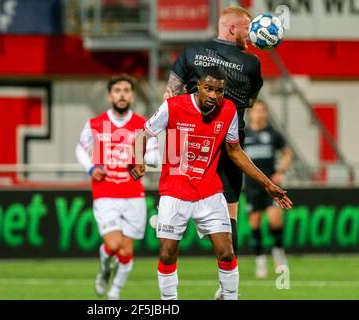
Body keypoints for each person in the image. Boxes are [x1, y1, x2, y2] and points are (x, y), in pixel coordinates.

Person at [130, 66, 292, 300]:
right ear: (198, 86)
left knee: (226, 252)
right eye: (209, 89)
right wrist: (138, 160)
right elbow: (142, 134)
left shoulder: (228, 111)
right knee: (167, 254)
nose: (214, 96)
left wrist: (267, 183)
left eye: (219, 91)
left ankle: (230, 296)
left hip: (209, 192)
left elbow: (235, 152)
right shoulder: (173, 107)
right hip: (175, 191)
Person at [163, 6, 262, 298]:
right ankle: (227, 288)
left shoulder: (191, 51)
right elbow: (252, 101)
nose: (251, 35)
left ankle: (173, 292)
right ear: (233, 29)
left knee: (174, 214)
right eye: (247, 29)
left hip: (190, 142)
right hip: (229, 145)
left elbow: (170, 94)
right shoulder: (251, 63)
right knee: (230, 213)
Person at [76, 74, 159, 300]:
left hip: (133, 194)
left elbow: (153, 153)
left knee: (126, 250)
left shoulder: (143, 125)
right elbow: (81, 149)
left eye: (126, 90)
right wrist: (91, 168)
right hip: (105, 192)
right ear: (109, 96)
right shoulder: (95, 124)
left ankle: (114, 293)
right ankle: (104, 269)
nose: (121, 94)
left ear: (132, 96)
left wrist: (144, 159)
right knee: (113, 245)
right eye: (117, 90)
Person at [244, 100, 293, 278]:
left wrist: (281, 171)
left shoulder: (272, 134)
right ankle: (260, 260)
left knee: (275, 220)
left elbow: (287, 152)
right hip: (251, 186)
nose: (260, 113)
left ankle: (278, 251)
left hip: (271, 186)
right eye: (256, 110)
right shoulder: (244, 134)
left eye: (263, 110)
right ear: (250, 113)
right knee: (255, 223)